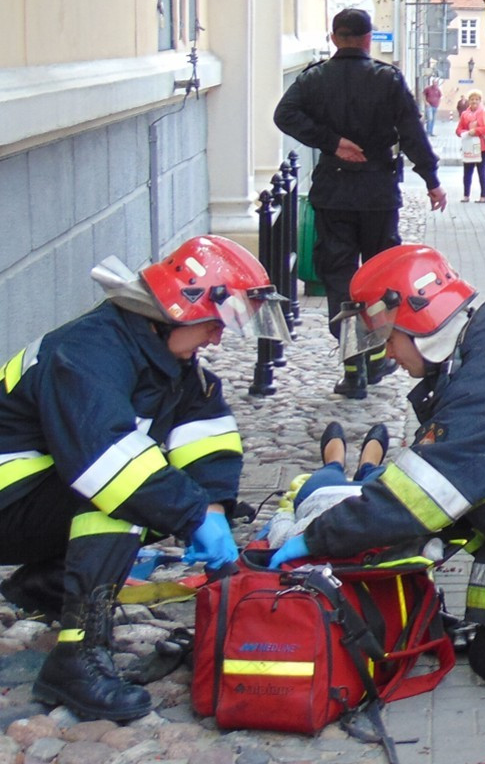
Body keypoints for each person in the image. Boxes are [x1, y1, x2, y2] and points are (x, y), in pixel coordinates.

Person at [271, 243, 485, 690]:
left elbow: (418, 499)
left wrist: (315, 538)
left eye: (388, 338)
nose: (387, 354)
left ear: (422, 322)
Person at [0, 235, 290, 722]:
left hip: (29, 499)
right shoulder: (88, 351)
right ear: (182, 308)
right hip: (8, 500)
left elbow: (209, 437)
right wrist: (193, 514)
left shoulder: (168, 362)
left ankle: (50, 584)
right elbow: (106, 464)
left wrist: (212, 508)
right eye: (215, 324)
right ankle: (76, 660)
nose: (217, 338)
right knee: (123, 493)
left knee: (161, 494)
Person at [273, 7, 446, 400]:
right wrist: (432, 180)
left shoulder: (314, 79)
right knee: (381, 278)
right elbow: (412, 132)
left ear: (334, 38)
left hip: (334, 193)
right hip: (377, 194)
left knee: (339, 279)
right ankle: (374, 356)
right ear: (369, 39)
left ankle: (354, 369)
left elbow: (284, 115)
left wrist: (331, 142)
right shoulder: (387, 80)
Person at [266, 421, 389, 548]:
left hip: (325, 495)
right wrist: (286, 514)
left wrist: (287, 511)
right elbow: (279, 535)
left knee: (331, 470)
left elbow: (279, 540)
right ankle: (367, 465)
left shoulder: (296, 543)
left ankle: (338, 462)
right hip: (373, 501)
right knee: (381, 475)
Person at [455, 89, 485, 204]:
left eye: (477, 99)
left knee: (481, 172)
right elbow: (458, 129)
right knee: (467, 172)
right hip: (468, 145)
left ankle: (483, 196)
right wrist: (464, 132)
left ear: (480, 101)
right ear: (469, 101)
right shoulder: (464, 114)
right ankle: (466, 195)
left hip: (482, 147)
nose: (474, 101)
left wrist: (476, 131)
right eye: (472, 99)